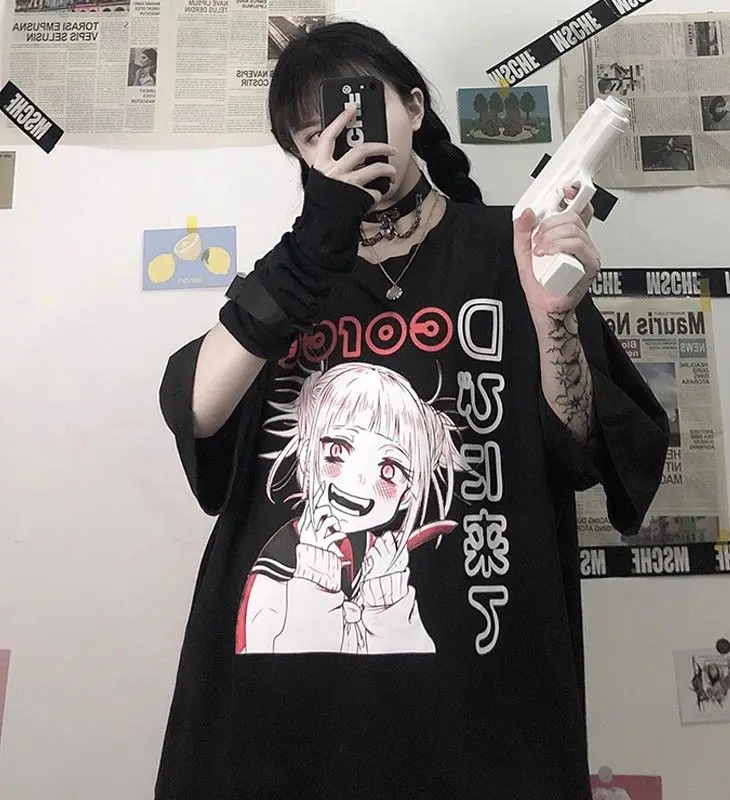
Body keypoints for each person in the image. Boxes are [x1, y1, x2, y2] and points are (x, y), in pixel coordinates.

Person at [155, 20, 670, 800]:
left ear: (416, 107)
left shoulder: (513, 245)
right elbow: (195, 412)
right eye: (313, 134)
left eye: (359, 109)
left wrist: (556, 317)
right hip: (282, 711)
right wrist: (312, 246)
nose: (343, 138)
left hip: (478, 698)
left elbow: (581, 447)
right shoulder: (288, 276)